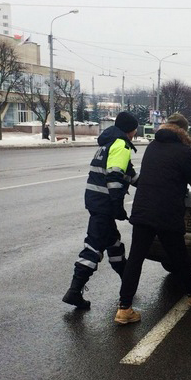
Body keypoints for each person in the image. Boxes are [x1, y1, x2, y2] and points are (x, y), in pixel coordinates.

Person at [116, 113, 191, 324]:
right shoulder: (184, 151)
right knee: (178, 255)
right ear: (183, 131)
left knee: (135, 258)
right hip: (167, 213)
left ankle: (124, 308)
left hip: (143, 211)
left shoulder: (152, 147)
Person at [62, 111, 139, 309]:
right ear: (130, 129)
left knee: (113, 243)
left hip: (95, 201)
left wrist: (148, 183)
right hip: (104, 204)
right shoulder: (121, 145)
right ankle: (74, 291)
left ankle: (128, 283)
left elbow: (128, 173)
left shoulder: (109, 143)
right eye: (135, 129)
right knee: (93, 247)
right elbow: (114, 177)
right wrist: (117, 207)